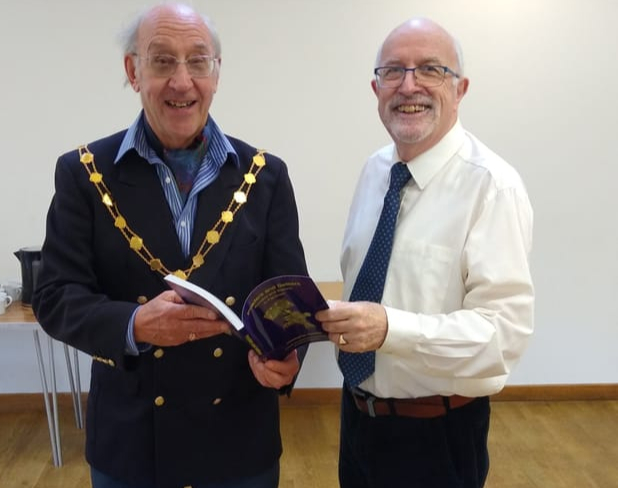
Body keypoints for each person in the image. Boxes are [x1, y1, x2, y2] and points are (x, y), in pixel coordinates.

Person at [32, 4, 308, 488]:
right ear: (132, 71)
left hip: (239, 442)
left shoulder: (266, 175)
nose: (182, 82)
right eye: (162, 61)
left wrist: (288, 360)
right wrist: (135, 323)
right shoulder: (82, 173)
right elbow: (56, 296)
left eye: (198, 61)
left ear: (217, 72)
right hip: (132, 445)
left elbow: (287, 296)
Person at [316, 17, 534, 488]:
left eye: (431, 69)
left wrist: (391, 329)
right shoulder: (375, 171)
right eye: (393, 71)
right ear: (376, 88)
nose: (409, 85)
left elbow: (502, 337)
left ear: (461, 89)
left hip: (437, 435)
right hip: (357, 417)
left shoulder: (492, 187)